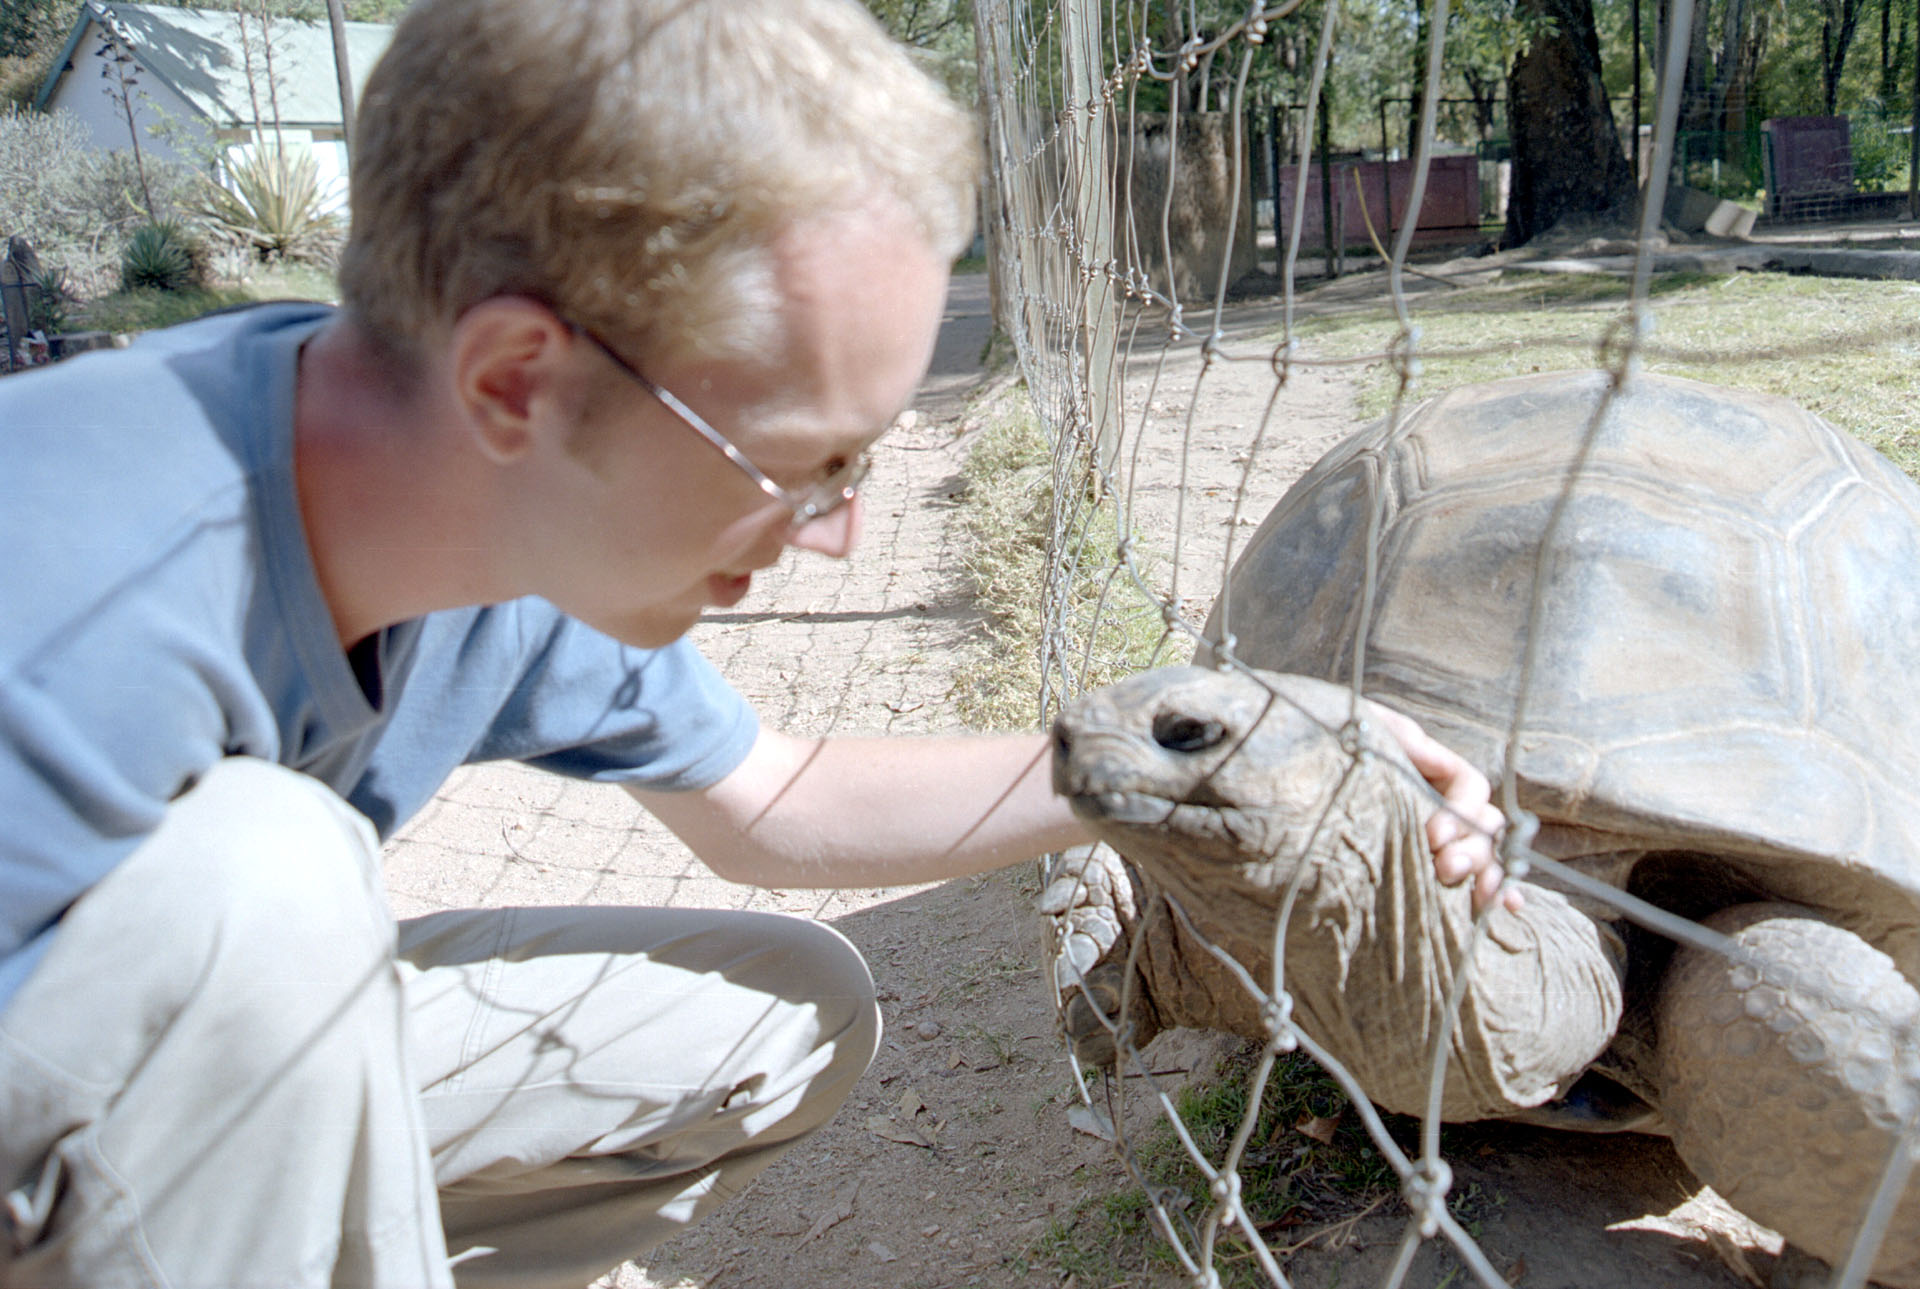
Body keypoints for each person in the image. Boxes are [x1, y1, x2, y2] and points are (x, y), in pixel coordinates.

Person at [0, 0, 1505, 1285]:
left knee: (778, 1012)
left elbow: (776, 804)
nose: (835, 530)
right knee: (269, 882)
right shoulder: (64, 603)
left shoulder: (494, 516)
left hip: (103, 1066)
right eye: (806, 463)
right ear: (519, 380)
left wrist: (1202, 751)